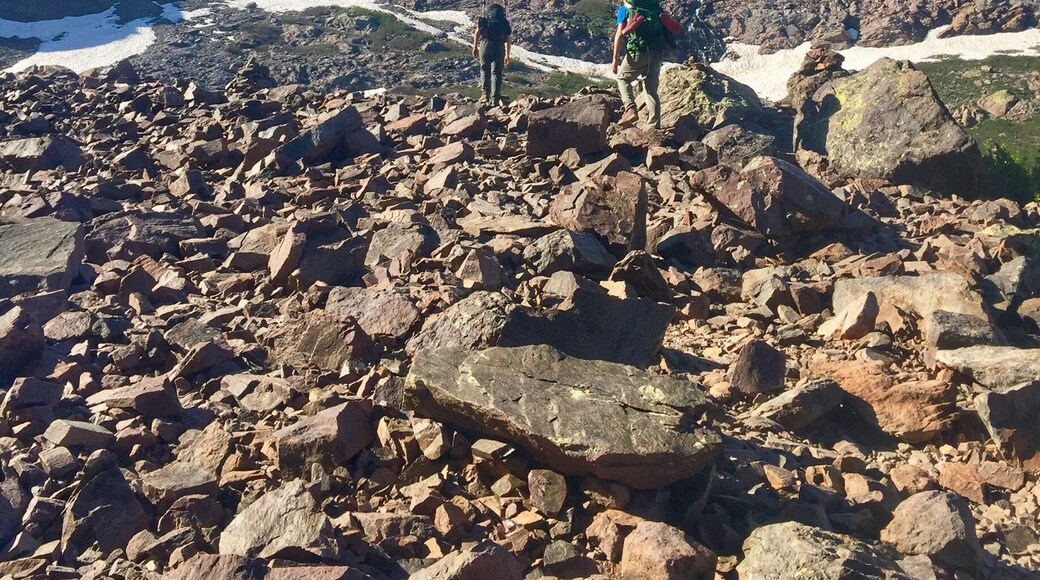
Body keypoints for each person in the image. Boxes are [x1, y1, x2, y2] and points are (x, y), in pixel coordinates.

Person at [611, 0, 667, 128]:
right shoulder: (653, 7)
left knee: (622, 78)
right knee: (651, 87)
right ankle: (654, 125)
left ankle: (630, 109)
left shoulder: (625, 9)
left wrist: (615, 59)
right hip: (657, 52)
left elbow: (620, 34)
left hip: (638, 51)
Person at [472, 4, 512, 105]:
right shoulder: (503, 22)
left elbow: (477, 32)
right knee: (497, 72)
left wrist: (475, 46)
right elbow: (508, 39)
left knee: (485, 69)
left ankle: (485, 95)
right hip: (499, 46)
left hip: (486, 43)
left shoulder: (485, 20)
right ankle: (495, 98)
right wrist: (507, 55)